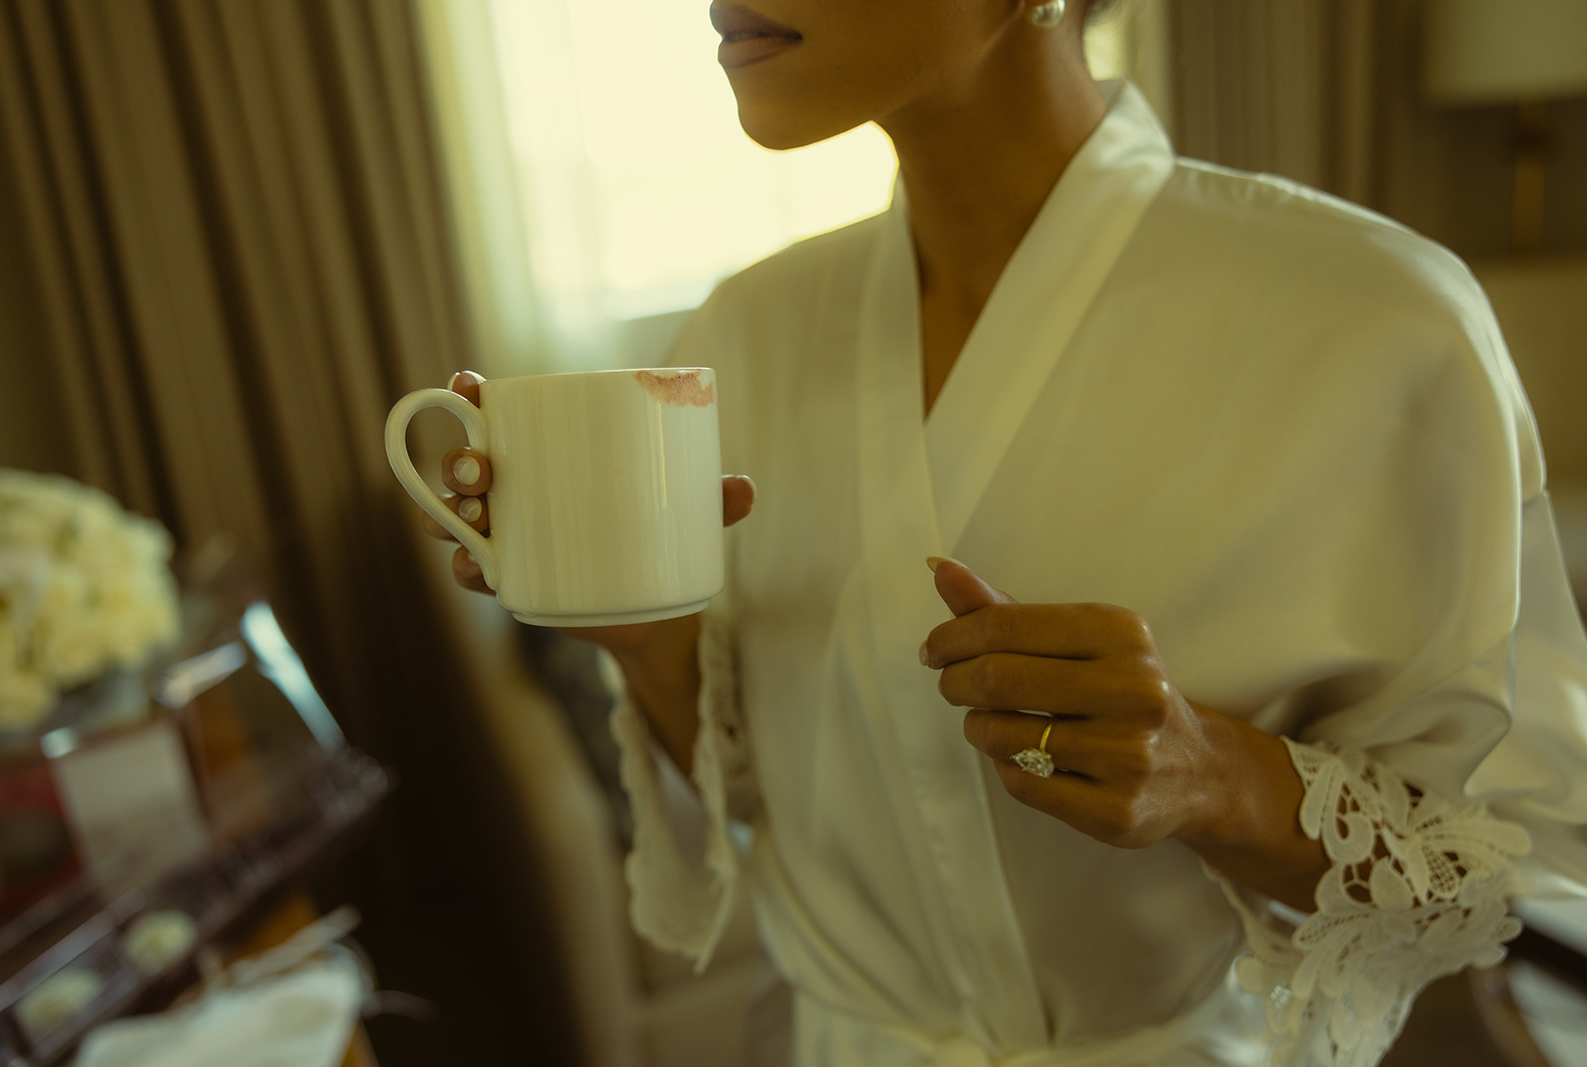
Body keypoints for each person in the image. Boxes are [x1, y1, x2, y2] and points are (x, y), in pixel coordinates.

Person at [422, 0, 1587, 1063]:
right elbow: (758, 800)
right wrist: (634, 625)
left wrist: (1215, 777)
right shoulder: (741, 336)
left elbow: (1496, 863)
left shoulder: (1377, 326)